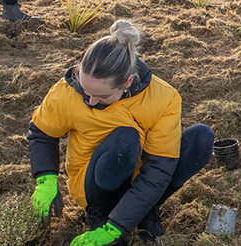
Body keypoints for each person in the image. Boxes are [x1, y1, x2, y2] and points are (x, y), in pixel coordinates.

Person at [27, 20, 214, 245]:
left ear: (128, 82)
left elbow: (158, 169)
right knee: (125, 139)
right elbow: (42, 132)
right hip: (93, 181)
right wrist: (45, 179)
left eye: (102, 96)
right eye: (86, 90)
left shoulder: (164, 98)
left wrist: (116, 227)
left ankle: (144, 210)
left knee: (201, 139)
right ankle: (100, 213)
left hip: (141, 179)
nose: (91, 101)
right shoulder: (67, 92)